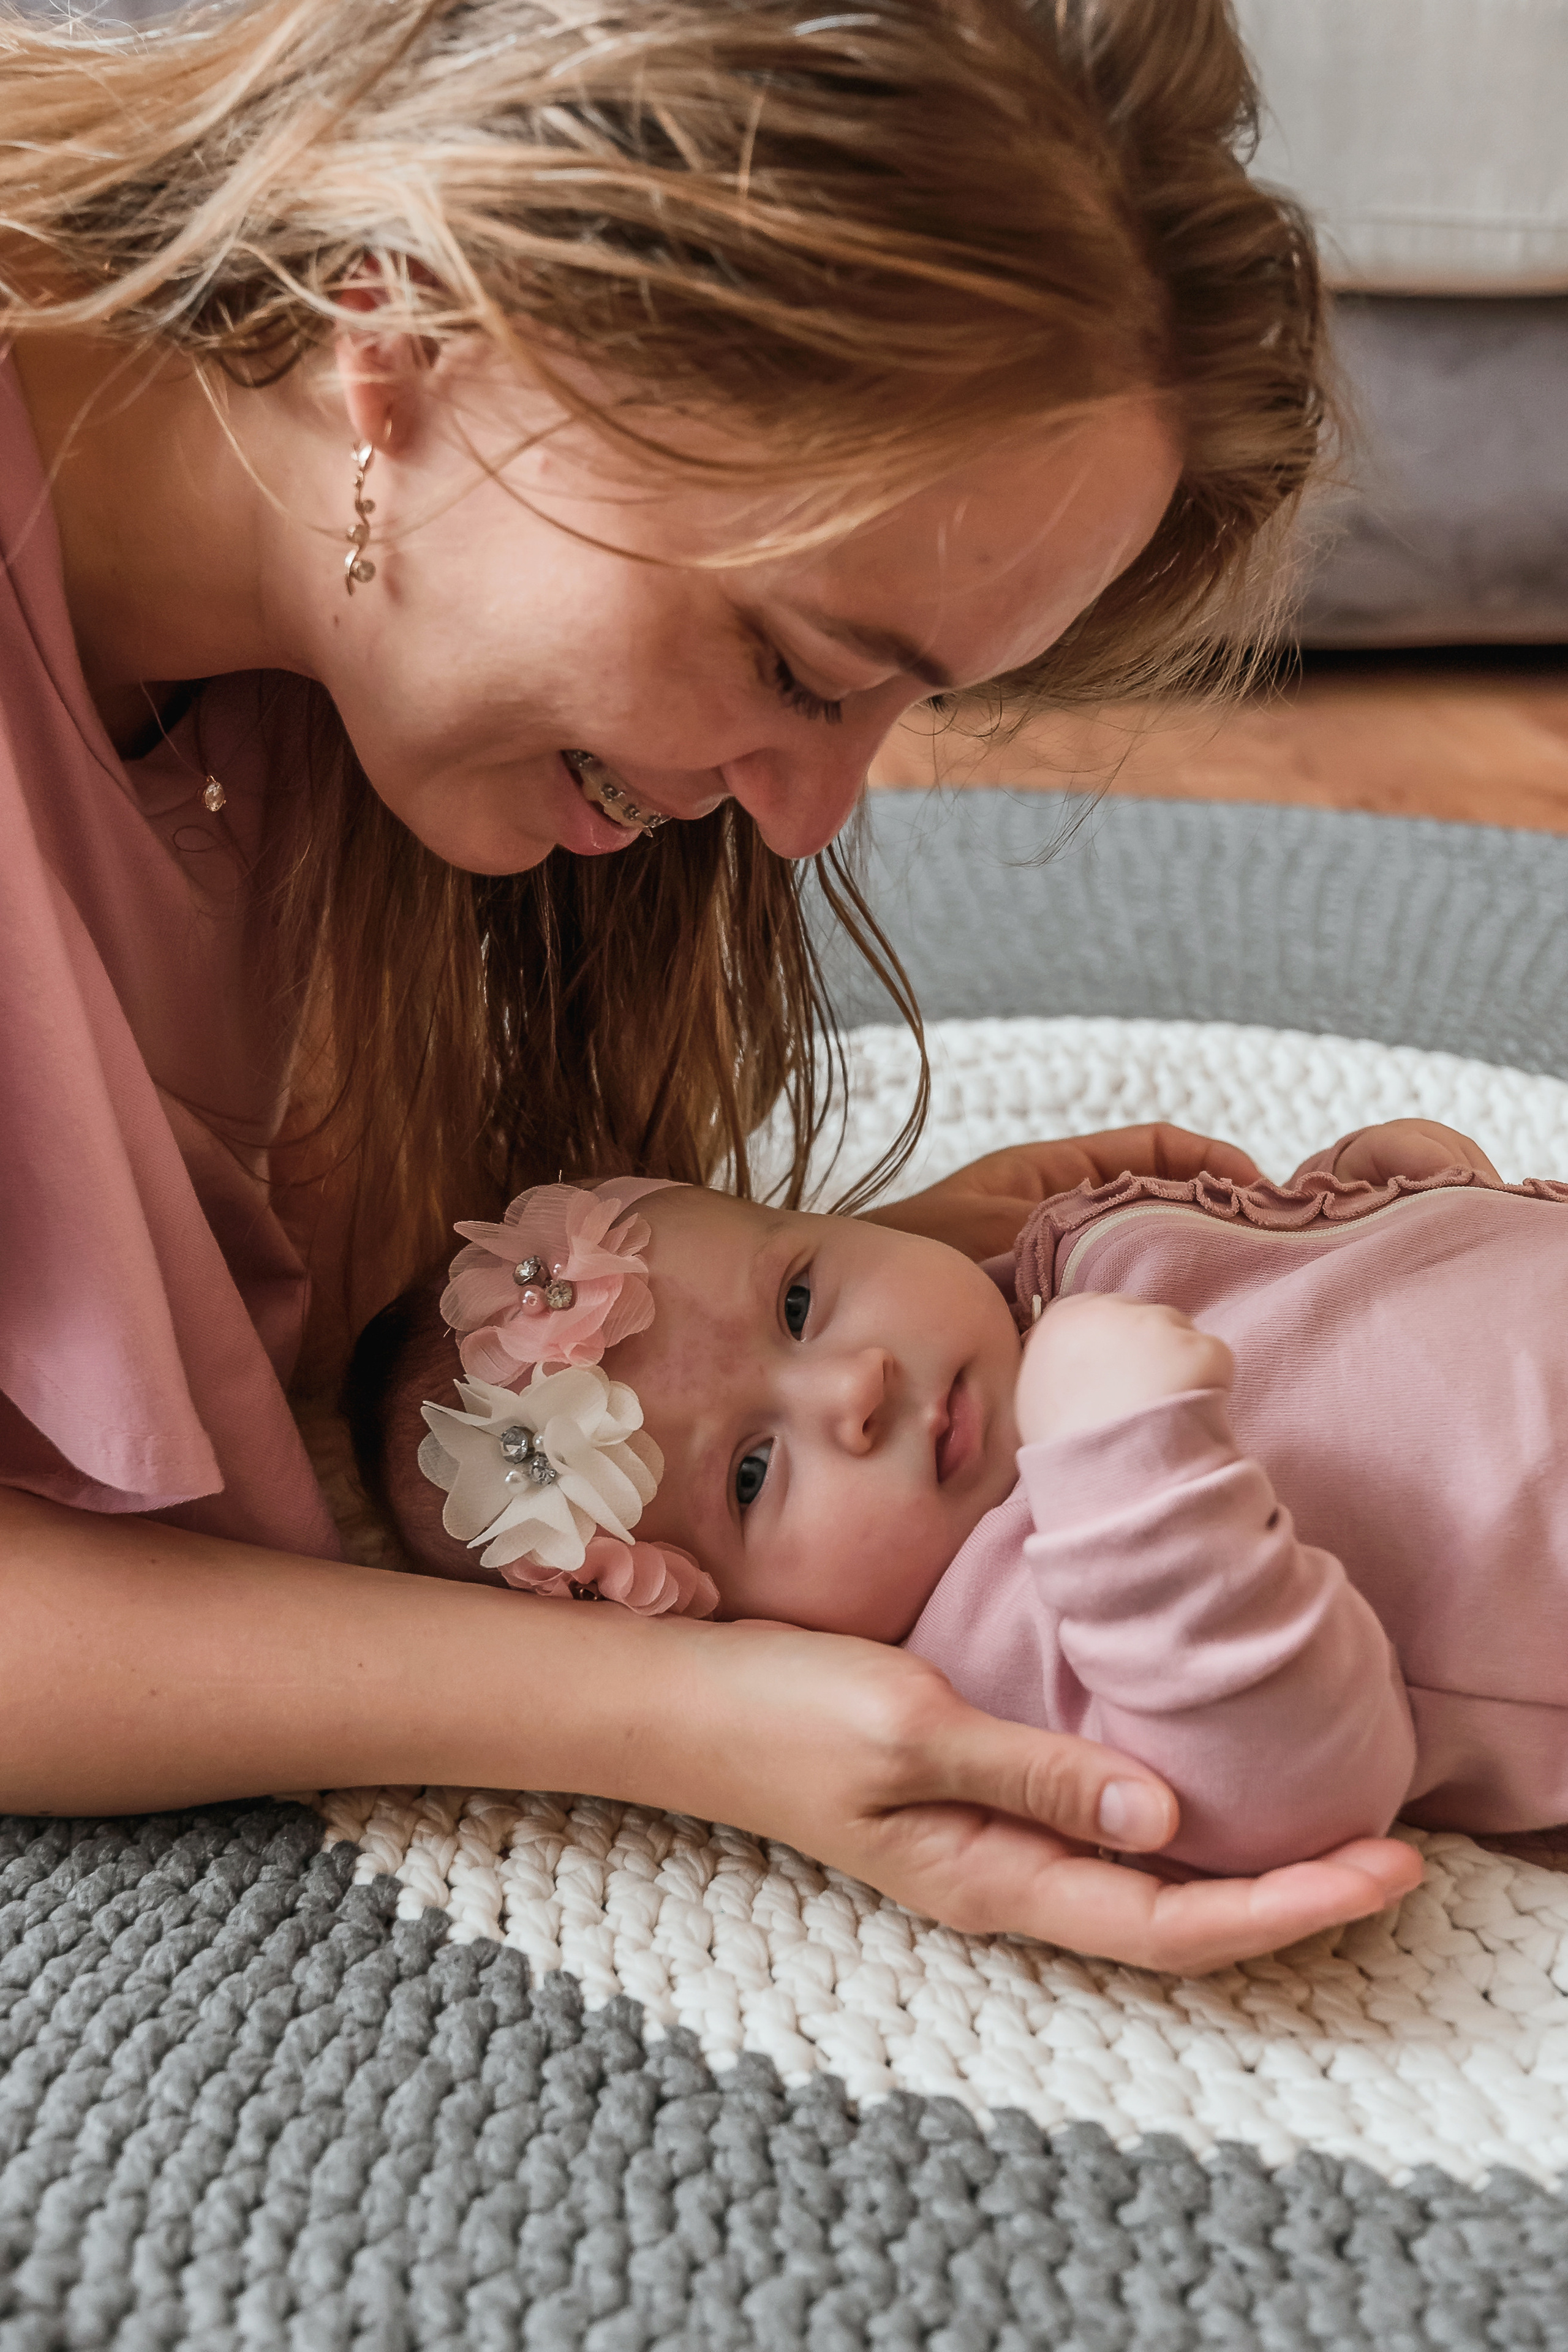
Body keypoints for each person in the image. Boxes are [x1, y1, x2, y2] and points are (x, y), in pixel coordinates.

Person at [0, 0, 1420, 1967]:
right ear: (405, 326)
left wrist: (747, 1322)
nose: (810, 820)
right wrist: (689, 1725)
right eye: (795, 662)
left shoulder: (330, 697)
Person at [358, 1115, 1566, 1883]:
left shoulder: (1021, 1279)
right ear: (744, 1637)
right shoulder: (1008, 1621)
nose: (855, 1385)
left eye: (796, 1300)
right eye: (751, 1472)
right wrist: (1132, 1471)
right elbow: (1280, 1790)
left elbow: (1313, 1323)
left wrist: (1380, 1218)